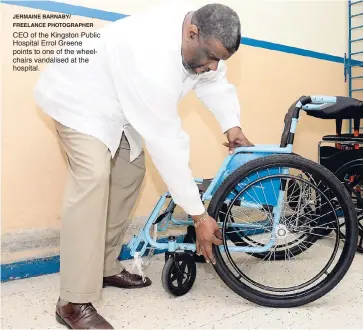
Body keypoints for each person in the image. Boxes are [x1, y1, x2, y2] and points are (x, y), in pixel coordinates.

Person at [34, 1, 253, 329]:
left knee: (129, 174)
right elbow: (167, 142)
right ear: (192, 33)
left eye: (219, 60)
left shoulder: (199, 41)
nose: (211, 66)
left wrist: (231, 125)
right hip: (78, 96)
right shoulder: (151, 53)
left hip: (120, 102)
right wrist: (199, 214)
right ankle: (73, 301)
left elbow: (214, 82)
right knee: (93, 177)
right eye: (210, 57)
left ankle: (105, 267)